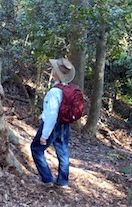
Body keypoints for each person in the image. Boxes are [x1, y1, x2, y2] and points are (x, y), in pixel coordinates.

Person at [30, 58, 76, 188]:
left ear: (56, 73)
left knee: (36, 149)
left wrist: (44, 135)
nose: (51, 71)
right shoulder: (69, 88)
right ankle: (63, 181)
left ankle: (47, 179)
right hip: (64, 124)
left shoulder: (55, 92)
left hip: (52, 125)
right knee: (63, 151)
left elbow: (51, 115)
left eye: (53, 69)